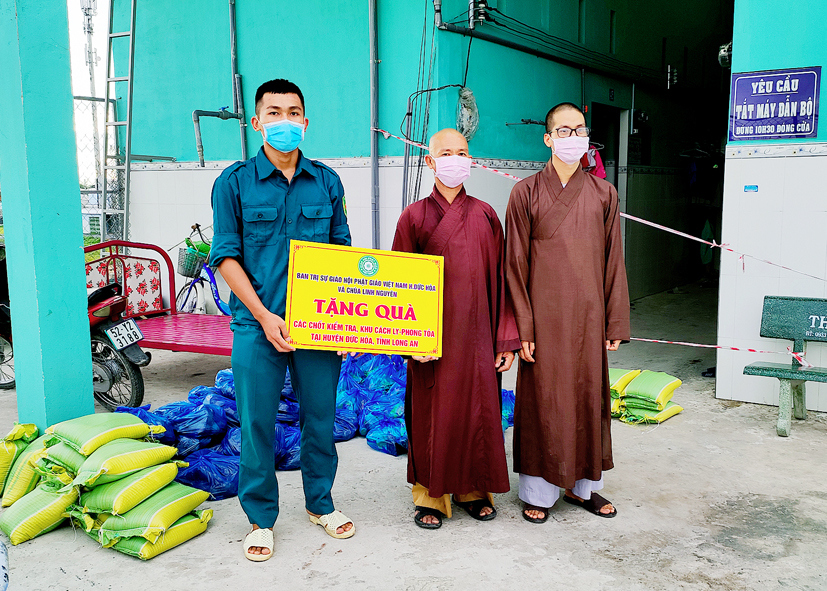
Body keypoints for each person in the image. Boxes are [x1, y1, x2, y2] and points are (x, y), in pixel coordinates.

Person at [210, 78, 355, 561]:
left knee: (321, 418)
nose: (284, 121)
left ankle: (320, 503)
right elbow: (225, 257)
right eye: (274, 113)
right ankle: (260, 518)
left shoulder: (327, 182)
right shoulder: (233, 183)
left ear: (305, 122)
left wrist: (348, 322)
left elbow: (341, 255)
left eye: (293, 113)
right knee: (256, 423)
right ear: (257, 122)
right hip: (256, 326)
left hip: (318, 326)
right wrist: (264, 315)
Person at [505, 102, 630, 523]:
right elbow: (514, 263)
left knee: (586, 396)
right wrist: (522, 326)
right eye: (563, 130)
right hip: (543, 319)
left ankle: (582, 488)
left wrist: (615, 319)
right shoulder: (525, 192)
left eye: (579, 130)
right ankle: (538, 493)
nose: (572, 137)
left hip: (590, 318)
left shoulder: (604, 193)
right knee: (544, 400)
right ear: (548, 138)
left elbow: (613, 261)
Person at [392, 128, 520, 529]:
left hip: (479, 337)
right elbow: (396, 286)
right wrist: (408, 341)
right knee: (433, 416)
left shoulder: (485, 214)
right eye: (445, 153)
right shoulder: (413, 217)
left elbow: (502, 281)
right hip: (430, 341)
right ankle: (430, 496)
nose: (455, 160)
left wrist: (505, 340)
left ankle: (474, 491)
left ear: (470, 160)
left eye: (462, 153)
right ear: (430, 161)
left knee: (477, 412)